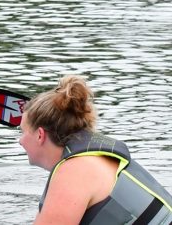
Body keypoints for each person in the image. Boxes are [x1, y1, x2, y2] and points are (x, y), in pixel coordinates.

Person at [19, 75, 172, 224]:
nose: (20, 141)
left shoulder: (74, 172)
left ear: (40, 135)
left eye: (22, 132)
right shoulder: (94, 157)